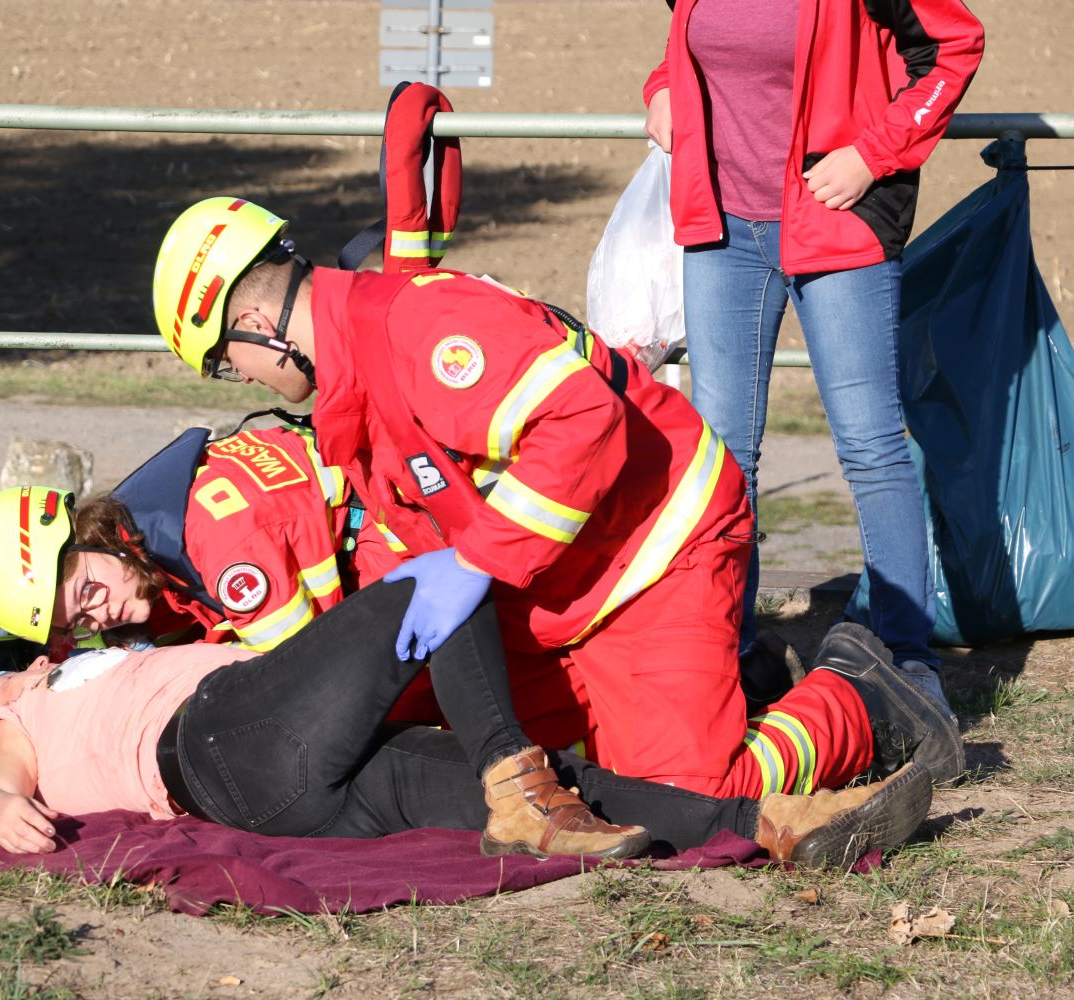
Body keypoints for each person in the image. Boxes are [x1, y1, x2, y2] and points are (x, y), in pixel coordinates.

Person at [147, 196, 966, 795]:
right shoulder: (353, 378)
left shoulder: (418, 330)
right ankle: (717, 689)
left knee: (693, 790)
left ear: (255, 321)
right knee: (523, 760)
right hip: (554, 585)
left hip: (657, 549)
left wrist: (477, 561)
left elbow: (581, 418)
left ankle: (860, 698)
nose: (241, 381)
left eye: (226, 364)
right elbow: (405, 524)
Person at [0, 572, 933, 868]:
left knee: (555, 795)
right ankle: (511, 773)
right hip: (218, 738)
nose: (18, 667)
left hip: (287, 792)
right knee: (440, 586)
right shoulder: (20, 713)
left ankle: (771, 830)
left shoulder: (87, 667)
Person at [641, 0, 984, 720]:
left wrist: (873, 154)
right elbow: (697, 46)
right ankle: (730, 662)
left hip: (835, 225)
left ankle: (907, 665)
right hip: (721, 233)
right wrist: (663, 85)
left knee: (870, 445)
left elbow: (954, 48)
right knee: (723, 457)